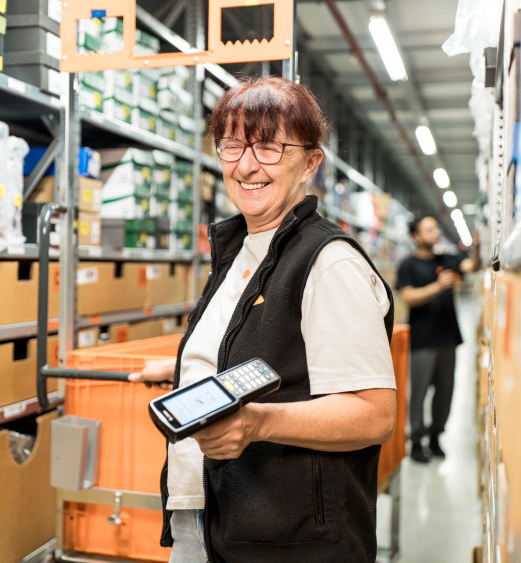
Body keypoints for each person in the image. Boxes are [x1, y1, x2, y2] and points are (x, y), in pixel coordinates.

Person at [129, 76, 397, 562]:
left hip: (289, 538)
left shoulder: (328, 262)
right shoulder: (244, 249)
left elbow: (374, 413)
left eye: (270, 147)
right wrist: (187, 373)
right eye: (232, 145)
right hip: (214, 516)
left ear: (311, 162)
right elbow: (265, 352)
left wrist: (258, 423)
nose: (247, 165)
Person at [395, 214, 479, 463]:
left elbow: (471, 266)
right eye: (428, 229)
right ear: (416, 236)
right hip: (423, 338)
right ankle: (417, 441)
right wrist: (438, 286)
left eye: (436, 229)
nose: (435, 233)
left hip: (448, 338)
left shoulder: (447, 260)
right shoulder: (408, 265)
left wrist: (479, 247)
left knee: (445, 392)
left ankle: (435, 437)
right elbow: (408, 298)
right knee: (419, 392)